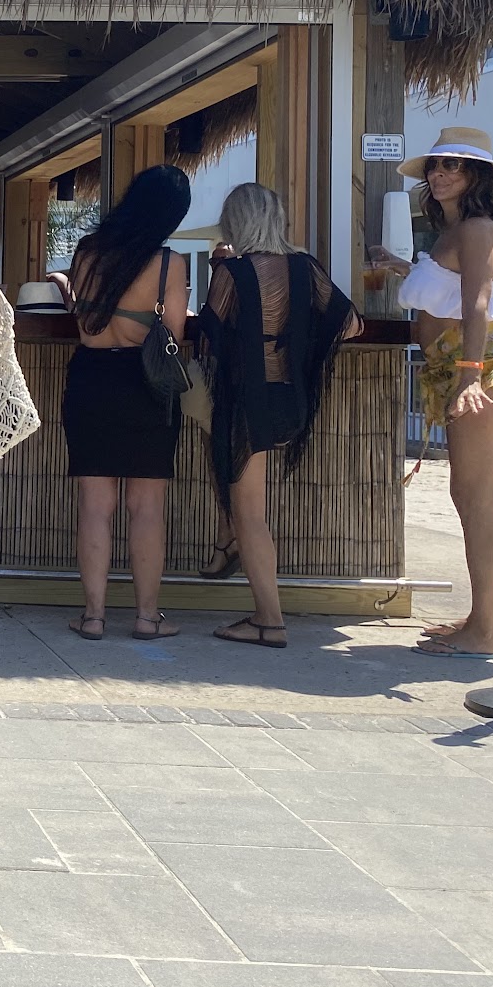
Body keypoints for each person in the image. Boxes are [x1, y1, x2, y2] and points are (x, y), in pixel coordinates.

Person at [372, 128, 493, 658]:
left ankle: (483, 632)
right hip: (454, 366)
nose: (438, 174)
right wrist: (401, 267)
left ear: (475, 175)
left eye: (452, 166)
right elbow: (447, 291)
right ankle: (487, 623)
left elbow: (478, 303)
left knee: (476, 501)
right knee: (471, 500)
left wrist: (470, 377)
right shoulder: (455, 233)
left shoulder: (478, 228)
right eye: (434, 166)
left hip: (475, 367)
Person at [196, 184, 361, 647]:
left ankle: (269, 620)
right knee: (252, 513)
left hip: (248, 403)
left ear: (235, 223)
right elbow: (351, 323)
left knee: (250, 515)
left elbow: (208, 339)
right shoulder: (305, 268)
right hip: (291, 399)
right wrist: (297, 338)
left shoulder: (233, 273)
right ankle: (241, 569)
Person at [62, 166, 193, 640]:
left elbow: (81, 316)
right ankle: (146, 617)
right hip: (146, 386)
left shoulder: (87, 252)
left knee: (95, 505)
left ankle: (93, 616)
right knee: (146, 507)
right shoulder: (169, 264)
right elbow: (173, 333)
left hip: (91, 378)